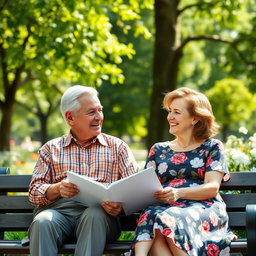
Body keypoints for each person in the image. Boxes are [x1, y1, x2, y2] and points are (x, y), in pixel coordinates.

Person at [28, 85, 138, 256]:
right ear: (70, 117)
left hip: (101, 216)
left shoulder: (118, 147)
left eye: (100, 110)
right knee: (43, 221)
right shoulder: (51, 149)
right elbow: (34, 193)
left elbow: (134, 190)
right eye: (91, 112)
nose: (99, 117)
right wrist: (56, 188)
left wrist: (120, 207)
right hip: (59, 213)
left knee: (94, 215)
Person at [128, 87, 236, 256]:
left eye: (176, 112)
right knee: (152, 215)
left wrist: (178, 193)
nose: (170, 117)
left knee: (165, 219)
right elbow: (146, 187)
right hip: (165, 209)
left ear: (195, 118)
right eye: (169, 111)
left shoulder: (212, 147)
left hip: (203, 208)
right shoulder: (158, 149)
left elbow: (212, 187)